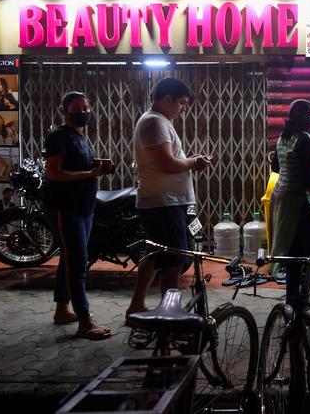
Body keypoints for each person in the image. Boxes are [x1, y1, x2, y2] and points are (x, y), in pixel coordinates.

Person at [127, 78, 212, 316]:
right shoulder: (154, 122)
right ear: (167, 99)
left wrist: (190, 161)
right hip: (163, 203)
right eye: (182, 103)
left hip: (164, 201)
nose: (184, 108)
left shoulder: (158, 121)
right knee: (173, 260)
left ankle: (137, 304)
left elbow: (171, 160)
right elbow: (167, 164)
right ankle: (169, 315)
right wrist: (194, 162)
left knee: (155, 255)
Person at [44, 91, 111, 340]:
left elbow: (78, 164)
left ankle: (62, 309)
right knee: (77, 262)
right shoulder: (58, 136)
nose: (83, 111)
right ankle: (85, 320)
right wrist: (89, 174)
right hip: (65, 207)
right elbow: (54, 173)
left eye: (86, 107)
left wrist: (96, 164)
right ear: (65, 111)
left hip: (84, 207)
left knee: (70, 258)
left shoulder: (80, 136)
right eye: (77, 108)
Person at [269, 99, 310, 306]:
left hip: (283, 201)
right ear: (306, 117)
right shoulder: (305, 140)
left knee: (294, 255)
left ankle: (292, 301)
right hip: (299, 204)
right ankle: (302, 299)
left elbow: (276, 168)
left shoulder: (284, 137)